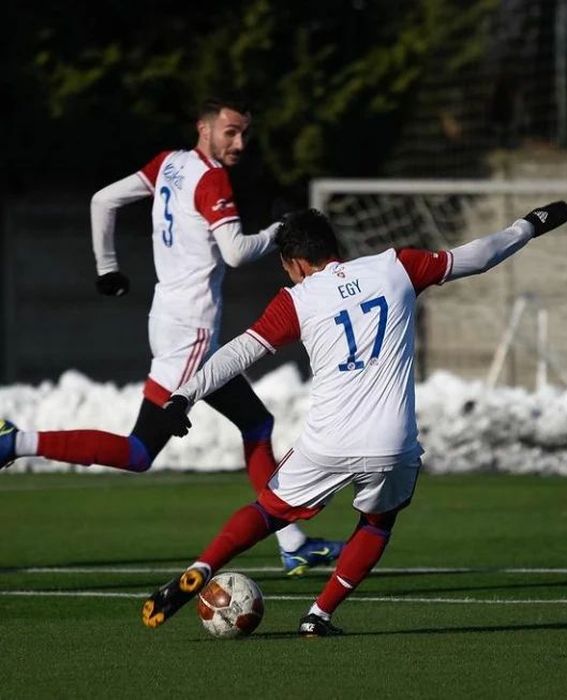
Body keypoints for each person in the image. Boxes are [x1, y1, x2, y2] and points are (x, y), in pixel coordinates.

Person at [140, 201, 567, 636]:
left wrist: (184, 397)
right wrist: (528, 226)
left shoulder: (298, 299)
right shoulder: (396, 267)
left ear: (294, 263)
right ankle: (319, 615)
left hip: (327, 442)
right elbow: (478, 256)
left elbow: (239, 351)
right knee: (376, 523)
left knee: (268, 512)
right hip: (392, 441)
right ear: (334, 247)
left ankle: (203, 566)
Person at [0, 95, 342, 576]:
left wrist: (107, 267)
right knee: (140, 451)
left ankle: (291, 542)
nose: (239, 142)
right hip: (193, 336)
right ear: (204, 129)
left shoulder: (169, 164)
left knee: (257, 424)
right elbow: (237, 253)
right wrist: (278, 230)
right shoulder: (210, 177)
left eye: (245, 132)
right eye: (230, 132)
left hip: (169, 318)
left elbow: (104, 200)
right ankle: (15, 443)